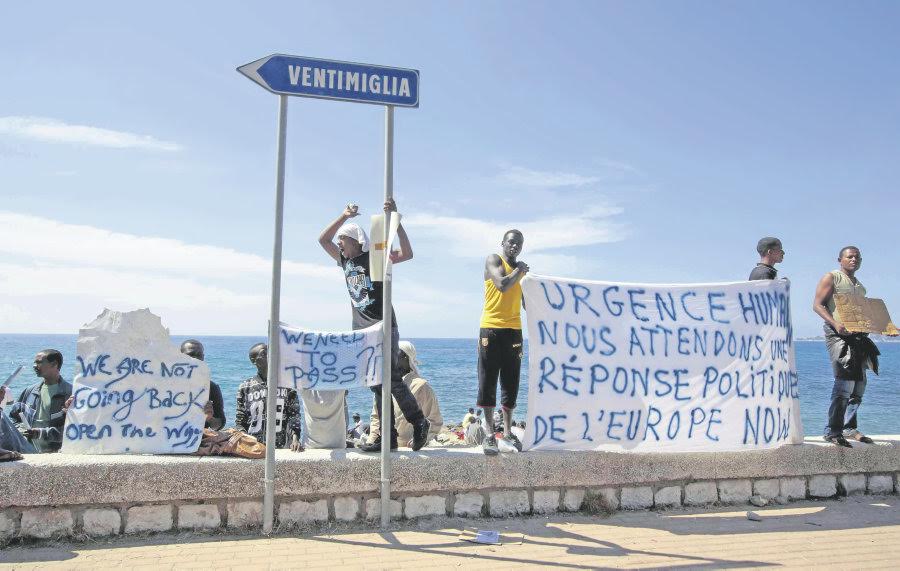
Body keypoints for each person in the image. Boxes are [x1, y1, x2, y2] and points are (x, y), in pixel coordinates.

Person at [318, 200, 430, 452]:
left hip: (383, 326)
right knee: (375, 382)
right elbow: (322, 240)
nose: (338, 244)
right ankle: (387, 438)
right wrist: (343, 217)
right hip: (362, 332)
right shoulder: (344, 262)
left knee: (389, 378)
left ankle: (419, 421)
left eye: (343, 240)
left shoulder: (375, 258)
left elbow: (407, 253)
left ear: (357, 242)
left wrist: (396, 222)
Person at [813, 246, 880, 447]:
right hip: (838, 335)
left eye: (857, 257)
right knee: (844, 384)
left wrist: (884, 327)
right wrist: (835, 324)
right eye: (850, 257)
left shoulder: (861, 288)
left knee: (859, 386)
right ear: (840, 259)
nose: (854, 260)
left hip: (859, 337)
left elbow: (864, 315)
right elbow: (817, 304)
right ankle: (833, 432)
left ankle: (849, 428)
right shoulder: (831, 277)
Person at [477, 229, 528, 455]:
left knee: (511, 383)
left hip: (514, 331)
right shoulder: (494, 260)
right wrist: (520, 271)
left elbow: (528, 303)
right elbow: (502, 284)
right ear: (503, 243)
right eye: (511, 242)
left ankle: (507, 433)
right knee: (488, 381)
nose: (514, 246)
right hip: (491, 329)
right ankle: (490, 435)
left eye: (518, 243)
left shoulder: (521, 273)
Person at [366, 340, 443, 448]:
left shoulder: (421, 386)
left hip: (410, 449)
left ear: (406, 358)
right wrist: (372, 440)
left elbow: (435, 421)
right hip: (386, 448)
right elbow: (376, 417)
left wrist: (421, 439)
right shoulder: (384, 384)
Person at [235, 343, 302, 450]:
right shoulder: (245, 387)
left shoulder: (287, 385)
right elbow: (240, 421)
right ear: (254, 361)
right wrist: (246, 442)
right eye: (264, 353)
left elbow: (294, 417)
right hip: (254, 448)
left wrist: (295, 439)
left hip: (280, 448)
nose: (270, 355)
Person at [8, 350, 72, 453]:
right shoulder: (29, 391)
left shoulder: (70, 394)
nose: (34, 366)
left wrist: (39, 433)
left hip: (57, 456)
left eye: (39, 362)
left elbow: (71, 431)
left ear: (54, 364)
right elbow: (14, 418)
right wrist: (21, 430)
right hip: (29, 452)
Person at [179, 339, 226, 430]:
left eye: (199, 355)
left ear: (203, 357)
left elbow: (220, 424)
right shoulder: (166, 386)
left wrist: (209, 418)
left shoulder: (211, 387)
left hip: (199, 441)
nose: (196, 359)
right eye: (190, 355)